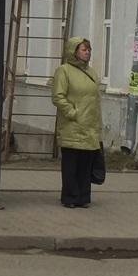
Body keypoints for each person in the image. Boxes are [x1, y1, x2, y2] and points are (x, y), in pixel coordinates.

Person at [51, 37, 102, 208]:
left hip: (89, 126)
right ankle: (70, 197)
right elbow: (58, 96)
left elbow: (94, 99)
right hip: (72, 125)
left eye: (89, 49)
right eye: (83, 49)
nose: (87, 52)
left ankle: (83, 197)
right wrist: (73, 113)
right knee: (71, 164)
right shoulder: (64, 71)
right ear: (74, 51)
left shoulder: (92, 72)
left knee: (86, 164)